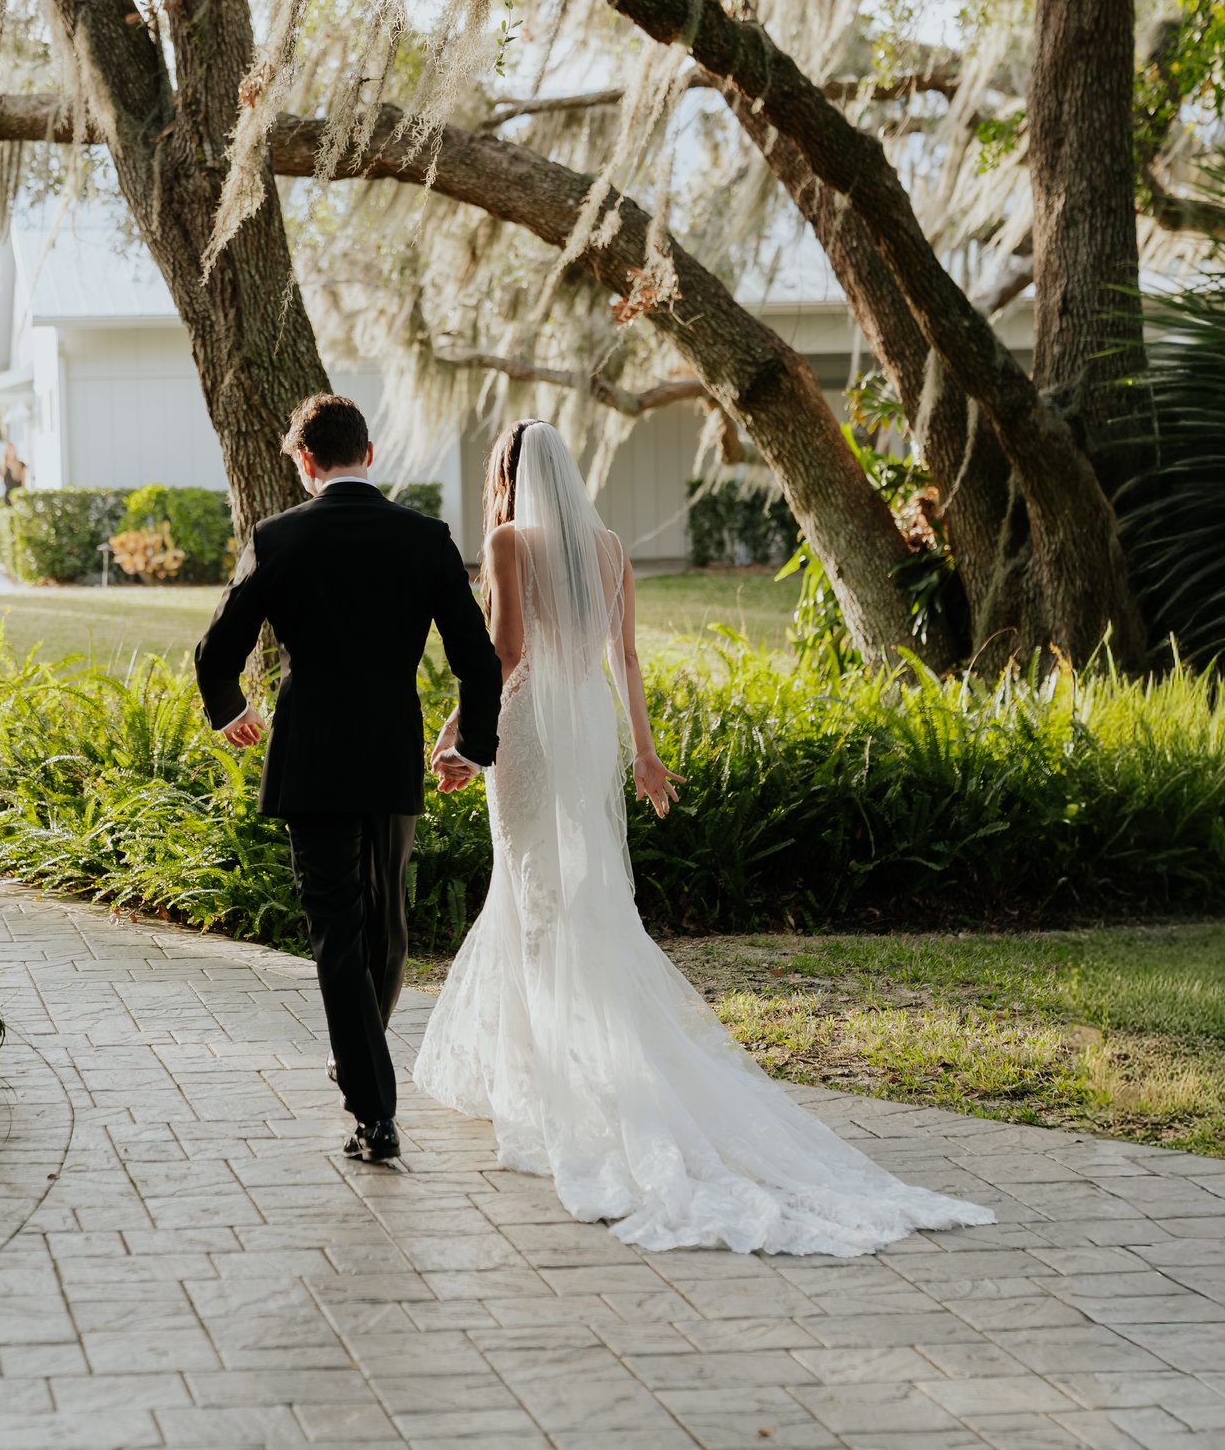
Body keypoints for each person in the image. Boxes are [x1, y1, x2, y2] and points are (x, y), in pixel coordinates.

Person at [419, 419, 995, 1254]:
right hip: (590, 728)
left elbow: (505, 654)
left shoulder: (507, 541)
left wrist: (460, 734)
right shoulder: (610, 546)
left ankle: (556, 1082)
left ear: (509, 474)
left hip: (531, 728)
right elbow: (626, 657)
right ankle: (559, 1061)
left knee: (529, 886)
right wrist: (646, 755)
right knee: (574, 890)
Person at [196, 394, 502, 1165]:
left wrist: (229, 708)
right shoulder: (425, 538)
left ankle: (370, 1100)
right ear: (369, 452)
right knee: (386, 916)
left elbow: (216, 647)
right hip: (390, 750)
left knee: (340, 924)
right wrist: (476, 745)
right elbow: (478, 657)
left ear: (306, 463)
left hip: (312, 756)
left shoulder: (279, 537)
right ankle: (370, 1082)